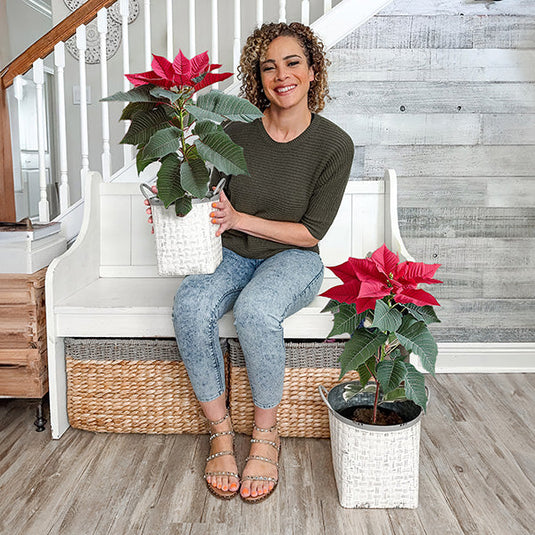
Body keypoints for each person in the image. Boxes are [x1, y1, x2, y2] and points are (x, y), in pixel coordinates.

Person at [147, 22, 354, 503]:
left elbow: (310, 232)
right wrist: (171, 198)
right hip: (232, 254)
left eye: (292, 62)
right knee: (191, 306)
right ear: (257, 80)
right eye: (268, 67)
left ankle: (265, 433)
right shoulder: (233, 132)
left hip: (294, 259)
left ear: (313, 71)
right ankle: (220, 431)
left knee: (257, 312)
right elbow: (202, 192)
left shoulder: (334, 145)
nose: (281, 75)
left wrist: (241, 217)